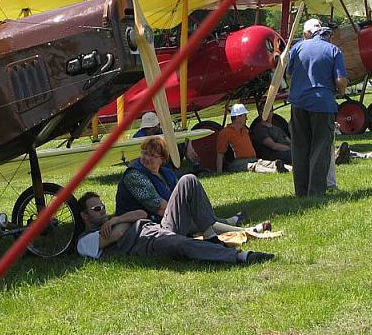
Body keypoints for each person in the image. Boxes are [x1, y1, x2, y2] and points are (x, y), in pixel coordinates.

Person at [76, 181, 275, 265]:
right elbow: (118, 235)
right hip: (146, 244)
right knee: (180, 243)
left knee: (188, 181)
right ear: (84, 216)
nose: (102, 210)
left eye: (102, 206)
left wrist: (119, 218)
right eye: (96, 209)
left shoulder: (112, 220)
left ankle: (211, 237)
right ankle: (240, 257)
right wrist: (125, 222)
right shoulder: (84, 241)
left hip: (158, 228)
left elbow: (141, 212)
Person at [116, 137, 270, 235]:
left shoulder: (166, 173)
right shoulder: (134, 175)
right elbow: (160, 208)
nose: (146, 158)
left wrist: (189, 210)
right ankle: (244, 230)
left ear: (162, 159)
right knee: (191, 185)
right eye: (144, 153)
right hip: (152, 225)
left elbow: (181, 199)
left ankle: (243, 230)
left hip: (168, 218)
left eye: (152, 155)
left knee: (199, 214)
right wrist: (188, 212)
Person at [287, 19, 348, 196]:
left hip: (298, 103)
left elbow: (289, 73)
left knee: (300, 147)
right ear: (327, 36)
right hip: (323, 103)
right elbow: (340, 80)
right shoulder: (333, 50)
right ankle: (315, 192)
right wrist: (342, 91)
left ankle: (301, 191)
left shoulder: (298, 47)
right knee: (320, 148)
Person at [216, 104, 289, 174]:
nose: (247, 119)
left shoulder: (244, 130)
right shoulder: (225, 132)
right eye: (245, 116)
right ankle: (275, 171)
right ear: (238, 117)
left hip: (253, 159)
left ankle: (290, 168)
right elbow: (220, 154)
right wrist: (219, 172)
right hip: (239, 162)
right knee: (253, 167)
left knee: (266, 163)